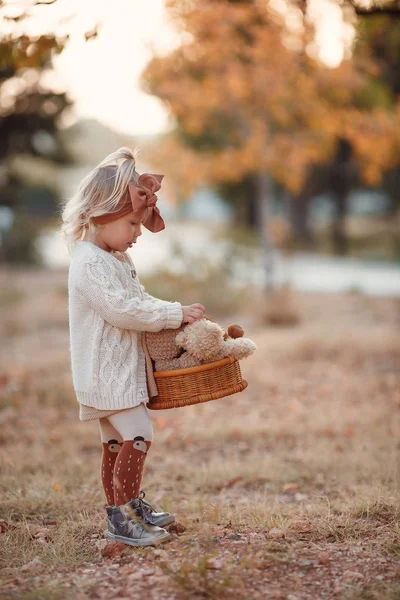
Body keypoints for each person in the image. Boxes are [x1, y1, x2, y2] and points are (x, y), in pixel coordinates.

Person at [60, 147, 205, 547]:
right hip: (105, 372)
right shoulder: (89, 263)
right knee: (139, 434)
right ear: (99, 215)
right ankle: (121, 517)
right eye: (131, 223)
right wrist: (173, 314)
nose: (138, 233)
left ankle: (126, 508)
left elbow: (140, 299)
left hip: (118, 371)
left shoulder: (116, 258)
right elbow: (124, 311)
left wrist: (178, 311)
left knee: (115, 441)